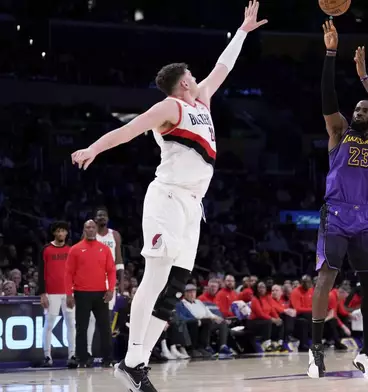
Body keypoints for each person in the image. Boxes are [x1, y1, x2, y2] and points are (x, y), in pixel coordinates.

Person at [70, 2, 266, 390]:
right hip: (167, 199)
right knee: (156, 278)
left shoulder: (203, 100)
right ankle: (131, 358)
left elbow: (224, 67)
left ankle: (135, 364)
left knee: (174, 288)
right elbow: (128, 131)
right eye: (192, 74)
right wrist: (92, 148)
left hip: (194, 207)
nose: (198, 76)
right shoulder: (170, 107)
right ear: (184, 82)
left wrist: (242, 31)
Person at [307, 19, 368, 385]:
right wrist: (331, 54)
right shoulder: (339, 133)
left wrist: (364, 77)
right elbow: (328, 98)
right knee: (326, 275)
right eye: (356, 110)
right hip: (336, 213)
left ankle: (367, 350)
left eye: (364, 111)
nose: (359, 113)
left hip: (366, 218)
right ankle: (315, 350)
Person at [66, 220, 116, 368]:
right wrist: (69, 294)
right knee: (82, 327)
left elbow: (111, 270)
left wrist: (111, 289)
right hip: (82, 293)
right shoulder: (75, 249)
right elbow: (68, 273)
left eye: (93, 227)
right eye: (88, 227)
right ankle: (82, 358)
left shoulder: (104, 249)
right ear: (84, 230)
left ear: (96, 229)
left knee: (105, 327)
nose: (91, 229)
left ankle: (108, 358)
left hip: (101, 293)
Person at [38, 221, 77, 368]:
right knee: (48, 325)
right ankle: (47, 356)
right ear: (54, 233)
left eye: (63, 231)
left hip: (68, 293)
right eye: (58, 231)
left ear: (67, 233)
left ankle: (72, 355)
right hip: (51, 293)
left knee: (71, 325)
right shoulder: (46, 249)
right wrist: (42, 293)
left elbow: (74, 272)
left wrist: (73, 292)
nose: (61, 234)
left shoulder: (71, 250)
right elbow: (41, 272)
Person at [87, 206, 124, 359]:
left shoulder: (114, 235)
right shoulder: (90, 234)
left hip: (109, 282)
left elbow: (119, 259)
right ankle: (89, 352)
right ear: (95, 219)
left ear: (107, 219)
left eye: (104, 215)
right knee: (91, 319)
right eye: (99, 215)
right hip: (92, 280)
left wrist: (121, 281)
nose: (101, 217)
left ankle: (106, 355)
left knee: (107, 319)